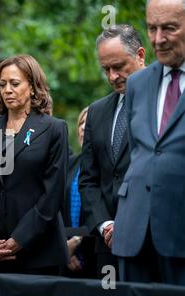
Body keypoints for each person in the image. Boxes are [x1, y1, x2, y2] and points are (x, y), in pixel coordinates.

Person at [0, 55, 69, 274]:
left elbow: (53, 196)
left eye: (15, 83)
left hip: (39, 252)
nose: (7, 90)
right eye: (2, 85)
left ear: (32, 87)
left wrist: (20, 239)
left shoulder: (54, 129)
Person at [113, 0, 185, 285]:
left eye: (169, 28)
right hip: (134, 232)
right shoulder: (137, 83)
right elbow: (137, 153)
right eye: (152, 28)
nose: (158, 39)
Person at [79, 24, 145, 279]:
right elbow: (88, 180)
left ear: (140, 55)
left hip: (150, 240)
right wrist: (106, 224)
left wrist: (129, 224)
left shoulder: (165, 104)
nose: (112, 76)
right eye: (106, 69)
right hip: (106, 246)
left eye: (119, 67)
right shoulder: (96, 111)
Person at [61, 107, 96, 278]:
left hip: (98, 256)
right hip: (66, 258)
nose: (82, 127)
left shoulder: (109, 167)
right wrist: (66, 250)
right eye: (80, 123)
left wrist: (76, 241)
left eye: (87, 123)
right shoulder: (69, 164)